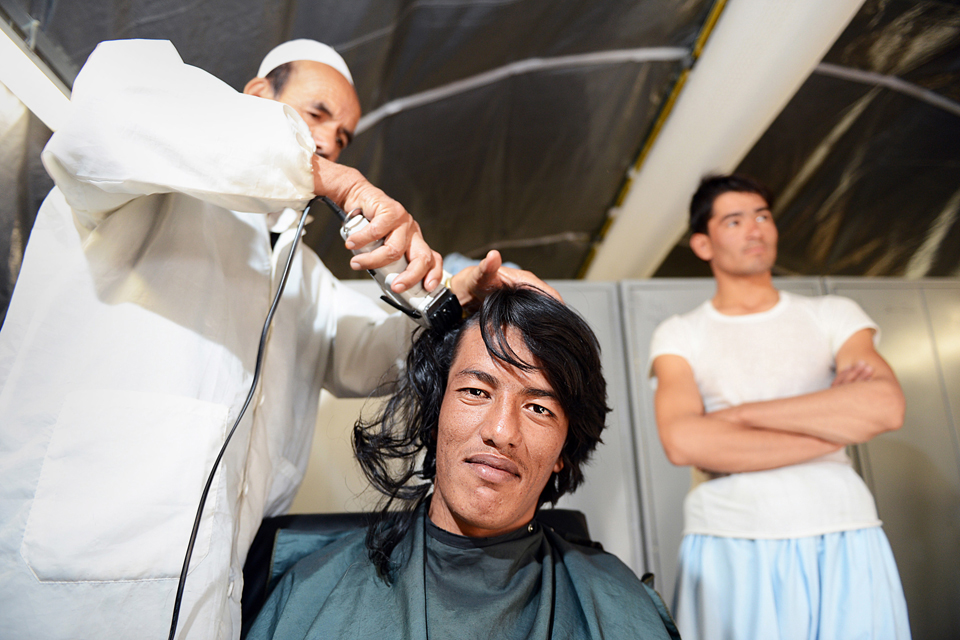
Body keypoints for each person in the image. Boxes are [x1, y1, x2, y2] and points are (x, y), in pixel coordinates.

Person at [0, 38, 546, 640]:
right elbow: (110, 112)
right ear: (258, 94)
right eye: (316, 114)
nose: (327, 143)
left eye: (342, 139)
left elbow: (376, 354)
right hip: (53, 582)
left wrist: (461, 298)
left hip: (209, 599)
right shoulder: (142, 184)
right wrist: (337, 179)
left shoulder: (304, 278)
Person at [247, 286, 681, 640]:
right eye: (476, 392)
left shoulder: (621, 610)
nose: (501, 430)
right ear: (434, 416)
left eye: (538, 408)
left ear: (563, 455)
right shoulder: (311, 593)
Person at [649, 174, 911, 639]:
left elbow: (885, 407)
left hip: (845, 527)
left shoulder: (833, 313)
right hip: (730, 537)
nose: (756, 229)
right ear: (703, 244)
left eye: (763, 216)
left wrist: (740, 416)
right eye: (735, 220)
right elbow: (683, 440)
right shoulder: (679, 333)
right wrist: (837, 420)